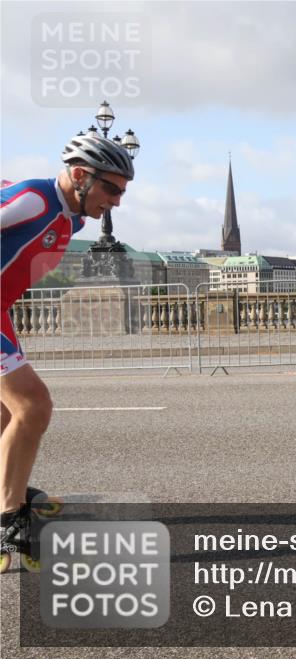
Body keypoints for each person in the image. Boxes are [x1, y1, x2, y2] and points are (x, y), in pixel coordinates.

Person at [1, 135, 135, 571]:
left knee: (7, 417)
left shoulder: (70, 219)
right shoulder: (37, 200)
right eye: (110, 189)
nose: (115, 202)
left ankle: (12, 491)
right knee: (33, 405)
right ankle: (9, 516)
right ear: (80, 175)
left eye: (121, 192)